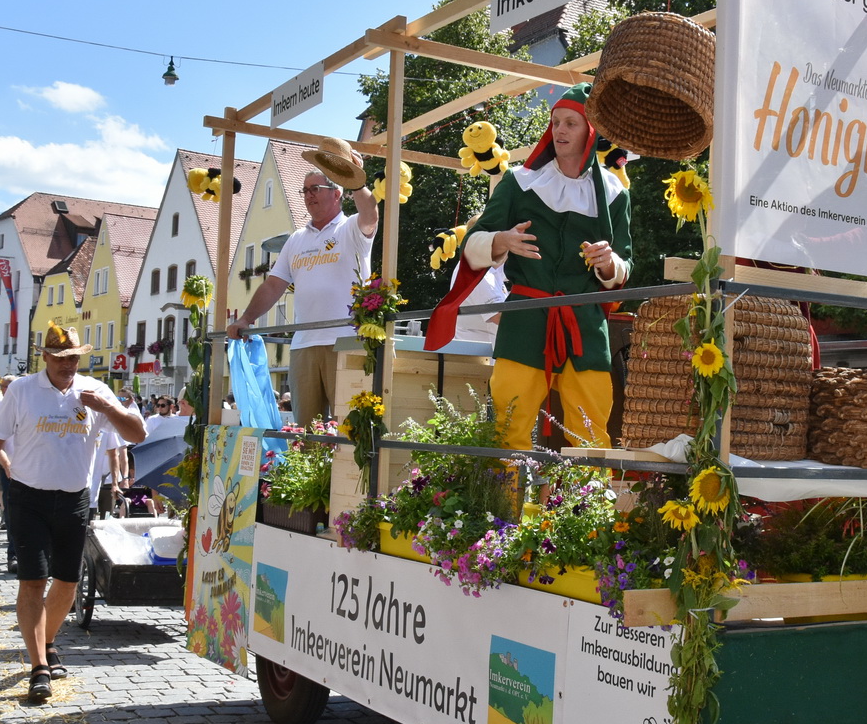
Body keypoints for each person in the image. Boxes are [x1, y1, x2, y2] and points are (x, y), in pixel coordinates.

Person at [427, 83, 633, 450]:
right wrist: (499, 241)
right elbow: (474, 243)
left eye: (571, 123)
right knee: (509, 429)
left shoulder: (616, 196)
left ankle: (584, 508)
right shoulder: (518, 182)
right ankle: (501, 508)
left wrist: (608, 264)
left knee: (591, 434)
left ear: (591, 130)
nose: (560, 130)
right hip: (524, 317)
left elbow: (626, 264)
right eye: (556, 122)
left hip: (584, 324)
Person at [0, 324, 147, 702]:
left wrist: (108, 407)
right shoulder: (20, 391)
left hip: (73, 500)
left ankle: (47, 640)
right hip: (27, 497)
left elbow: (137, 435)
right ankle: (38, 666)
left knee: (68, 583)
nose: (69, 365)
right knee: (33, 581)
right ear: (46, 358)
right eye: (62, 358)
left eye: (75, 358)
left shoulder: (95, 391)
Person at [227, 139, 378, 425]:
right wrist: (246, 318)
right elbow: (273, 285)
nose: (308, 196)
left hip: (346, 340)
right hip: (304, 344)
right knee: (307, 431)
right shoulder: (296, 239)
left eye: (315, 189)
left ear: (337, 194)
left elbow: (371, 215)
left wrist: (356, 181)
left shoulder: (350, 228)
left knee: (351, 427)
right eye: (305, 191)